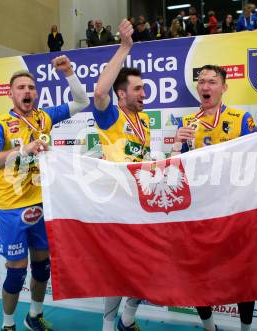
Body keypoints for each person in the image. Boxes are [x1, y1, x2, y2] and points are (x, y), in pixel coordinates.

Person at [0, 55, 90, 331]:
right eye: (21, 88)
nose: (27, 92)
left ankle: (34, 316)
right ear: (11, 93)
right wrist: (21, 150)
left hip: (43, 204)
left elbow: (82, 102)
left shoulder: (44, 117)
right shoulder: (0, 124)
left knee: (43, 268)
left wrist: (69, 74)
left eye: (31, 87)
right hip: (13, 208)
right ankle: (8, 325)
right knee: (16, 273)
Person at [172, 65, 257, 331]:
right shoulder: (187, 124)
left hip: (236, 210)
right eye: (201, 82)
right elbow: (176, 170)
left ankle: (245, 328)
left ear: (224, 87)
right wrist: (176, 145)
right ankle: (209, 327)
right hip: (202, 212)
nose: (205, 87)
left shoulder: (242, 118)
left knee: (243, 275)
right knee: (200, 273)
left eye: (212, 82)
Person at [92, 19, 149, 330]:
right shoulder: (112, 117)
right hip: (115, 207)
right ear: (122, 95)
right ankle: (108, 325)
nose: (143, 93)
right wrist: (125, 48)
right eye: (137, 89)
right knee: (116, 272)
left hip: (140, 205)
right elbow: (100, 91)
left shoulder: (146, 123)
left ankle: (128, 320)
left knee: (144, 267)